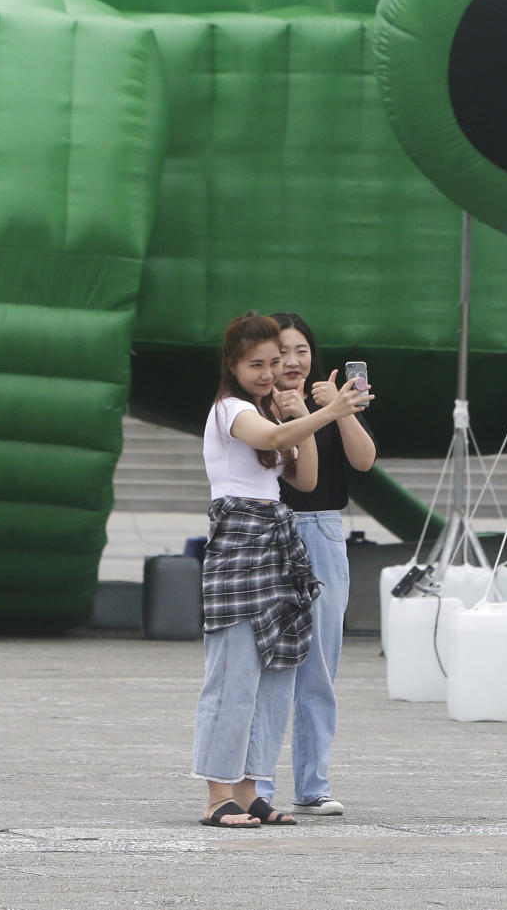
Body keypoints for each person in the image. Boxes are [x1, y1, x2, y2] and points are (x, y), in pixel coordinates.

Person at [192, 310, 372, 827]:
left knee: (278, 669)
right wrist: (324, 411)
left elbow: (307, 477)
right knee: (233, 674)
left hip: (279, 536)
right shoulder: (230, 410)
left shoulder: (270, 412)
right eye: (258, 364)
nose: (271, 372)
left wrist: (305, 416)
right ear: (232, 364)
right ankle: (217, 795)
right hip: (241, 540)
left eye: (276, 362)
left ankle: (251, 790)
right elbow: (271, 442)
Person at [255, 312, 377, 816]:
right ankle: (257, 786)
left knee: (320, 665)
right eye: (282, 352)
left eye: (302, 350)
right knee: (267, 663)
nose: (293, 360)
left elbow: (365, 461)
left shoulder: (331, 397)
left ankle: (313, 785)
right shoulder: (253, 407)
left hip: (325, 529)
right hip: (272, 528)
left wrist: (339, 410)